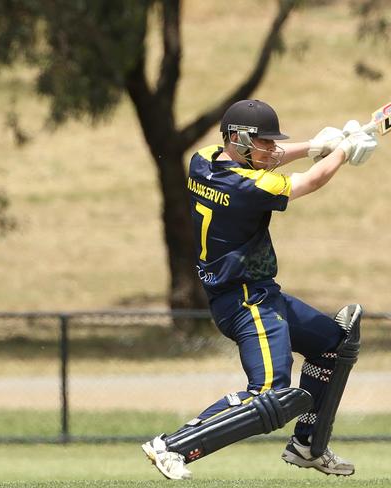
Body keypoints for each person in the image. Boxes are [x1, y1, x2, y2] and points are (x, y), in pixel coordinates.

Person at [142, 99, 377, 480]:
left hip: (259, 294)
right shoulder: (248, 187)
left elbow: (267, 162)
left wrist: (316, 146)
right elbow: (310, 181)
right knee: (269, 391)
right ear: (238, 138)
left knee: (334, 344)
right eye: (264, 142)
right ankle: (173, 446)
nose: (271, 149)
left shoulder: (203, 161)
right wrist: (344, 152)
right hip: (247, 301)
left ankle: (308, 446)